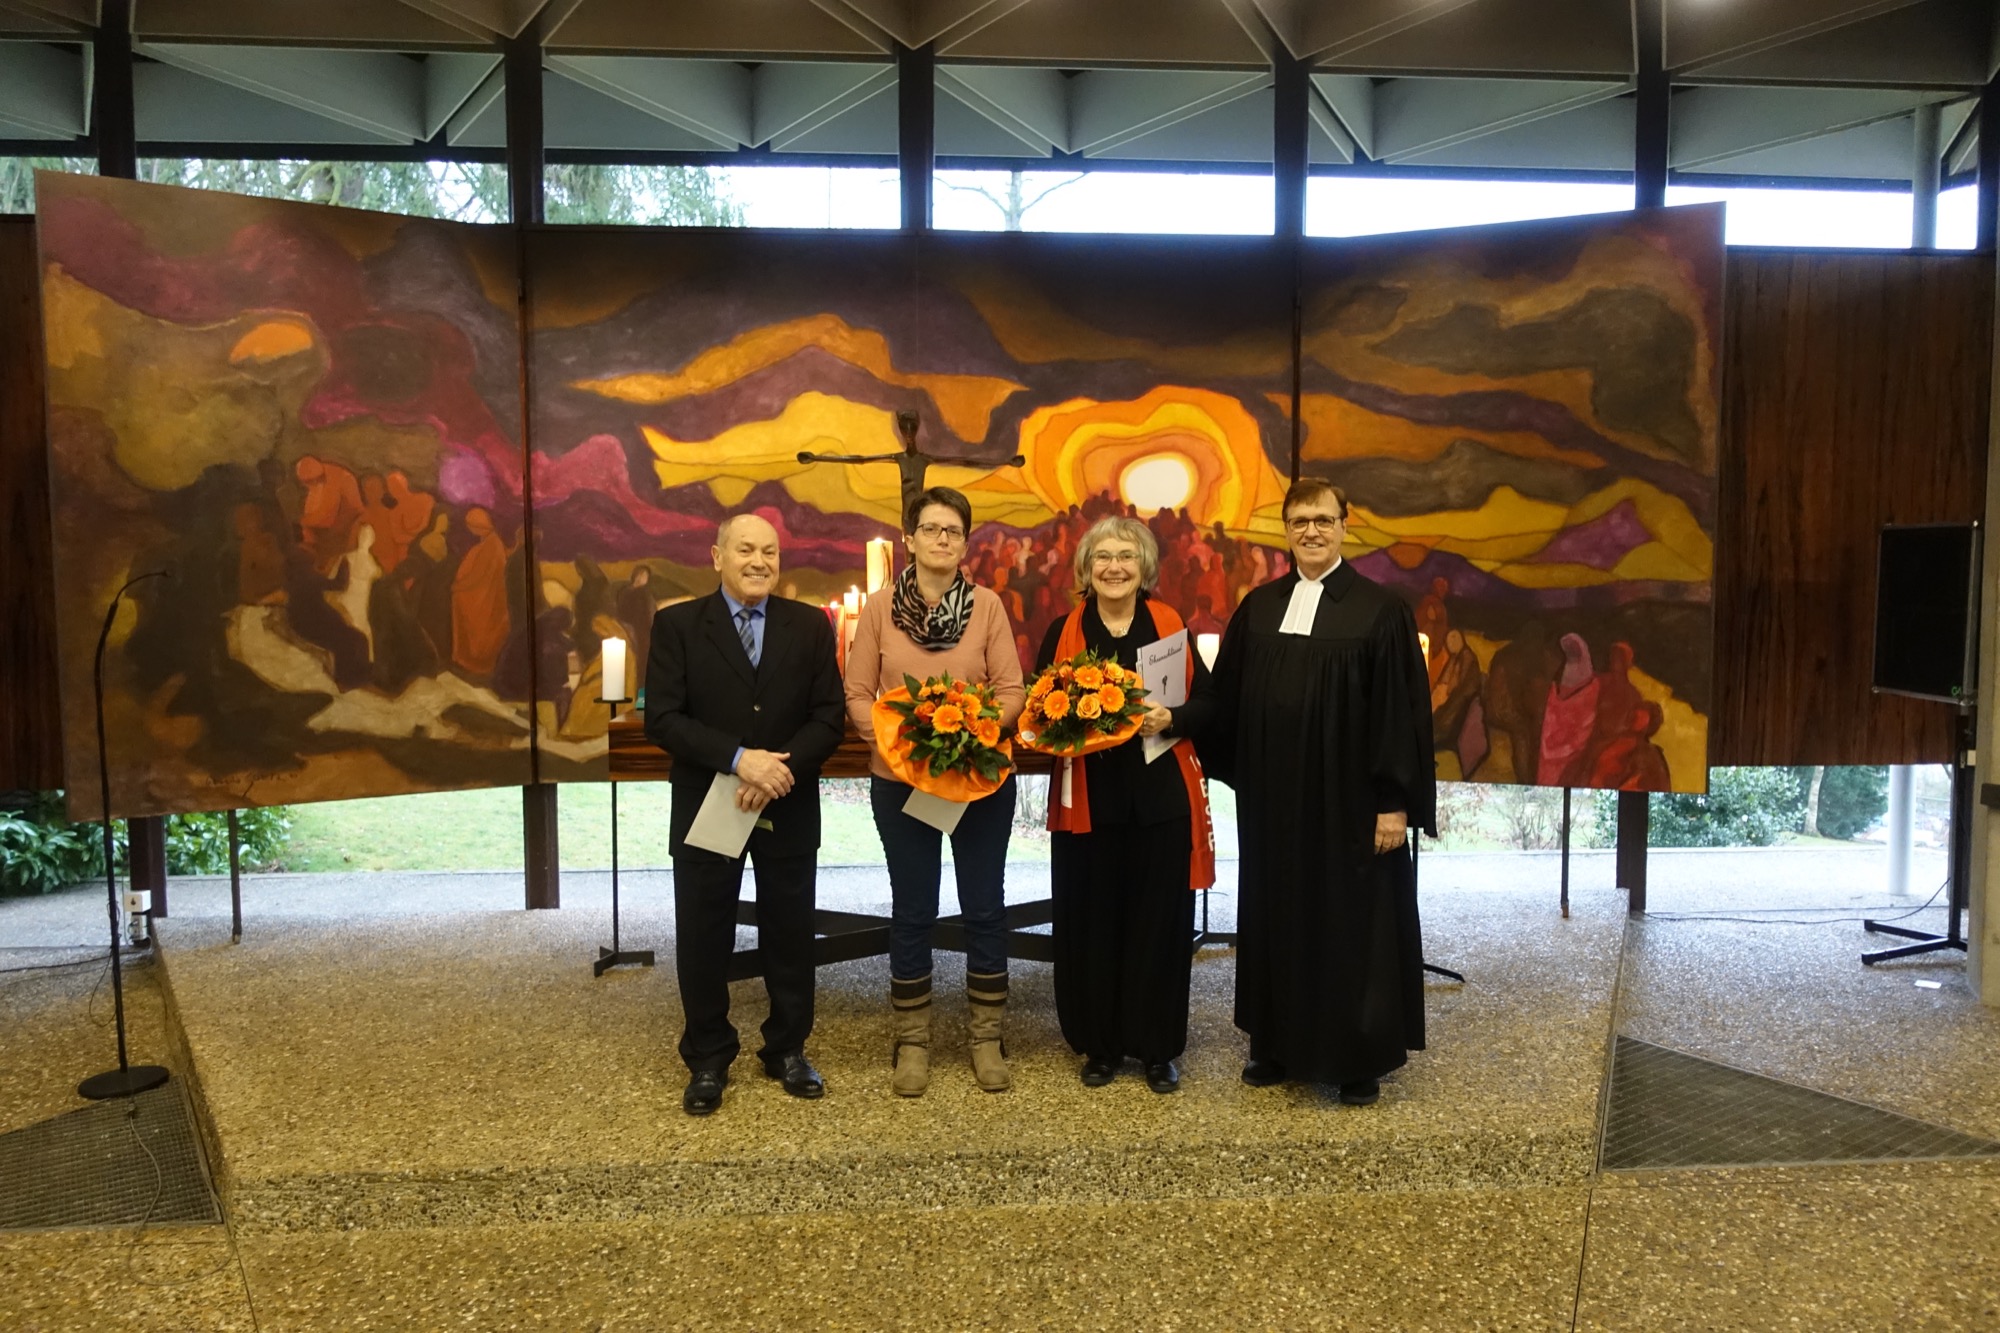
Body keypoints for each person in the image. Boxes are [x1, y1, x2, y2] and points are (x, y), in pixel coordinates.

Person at [1204, 477, 1436, 1107]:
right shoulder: (1259, 608)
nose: (1312, 531)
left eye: (1323, 520)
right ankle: (1273, 1044)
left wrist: (1394, 803)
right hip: (1273, 804)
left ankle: (1358, 1057)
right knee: (1275, 913)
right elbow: (1224, 698)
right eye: (1300, 521)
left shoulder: (1381, 611)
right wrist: (1175, 716)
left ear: (1344, 525)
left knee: (1351, 921)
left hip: (1351, 807)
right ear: (1286, 530)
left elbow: (1401, 715)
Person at [645, 513, 844, 1117]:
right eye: (745, 550)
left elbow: (828, 716)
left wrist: (775, 771)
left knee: (791, 930)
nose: (759, 561)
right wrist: (739, 761)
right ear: (717, 557)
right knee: (704, 932)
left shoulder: (809, 626)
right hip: (709, 800)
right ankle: (707, 1057)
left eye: (770, 552)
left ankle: (787, 1049)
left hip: (787, 798)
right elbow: (664, 718)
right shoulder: (678, 625)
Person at [845, 486, 1025, 1097]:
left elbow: (1011, 692)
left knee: (984, 907)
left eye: (953, 531)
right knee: (914, 910)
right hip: (901, 784)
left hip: (979, 780)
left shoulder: (988, 607)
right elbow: (857, 694)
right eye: (931, 528)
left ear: (965, 544)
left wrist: (975, 734)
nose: (942, 539)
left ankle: (986, 1039)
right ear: (910, 538)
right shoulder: (878, 610)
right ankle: (913, 1043)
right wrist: (902, 743)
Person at [1034, 516, 1215, 1094]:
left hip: (1160, 802)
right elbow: (1037, 711)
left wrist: (1173, 717)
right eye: (1103, 557)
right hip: (1089, 803)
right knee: (1093, 923)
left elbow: (1209, 703)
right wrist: (1066, 722)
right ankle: (1101, 1046)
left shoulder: (1170, 625)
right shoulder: (1063, 631)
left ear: (1145, 567)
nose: (1115, 567)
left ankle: (1157, 1049)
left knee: (1159, 926)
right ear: (1086, 568)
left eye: (1126, 557)